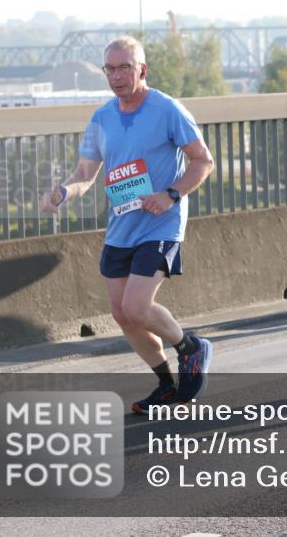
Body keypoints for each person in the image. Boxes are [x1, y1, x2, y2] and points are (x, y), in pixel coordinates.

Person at [40, 36, 215, 415]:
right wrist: (62, 192)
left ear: (142, 70)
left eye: (124, 68)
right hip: (121, 228)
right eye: (110, 69)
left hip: (160, 225)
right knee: (122, 313)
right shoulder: (102, 118)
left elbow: (203, 161)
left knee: (137, 305)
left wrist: (171, 194)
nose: (116, 76)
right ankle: (166, 384)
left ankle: (190, 347)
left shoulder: (167, 109)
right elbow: (85, 173)